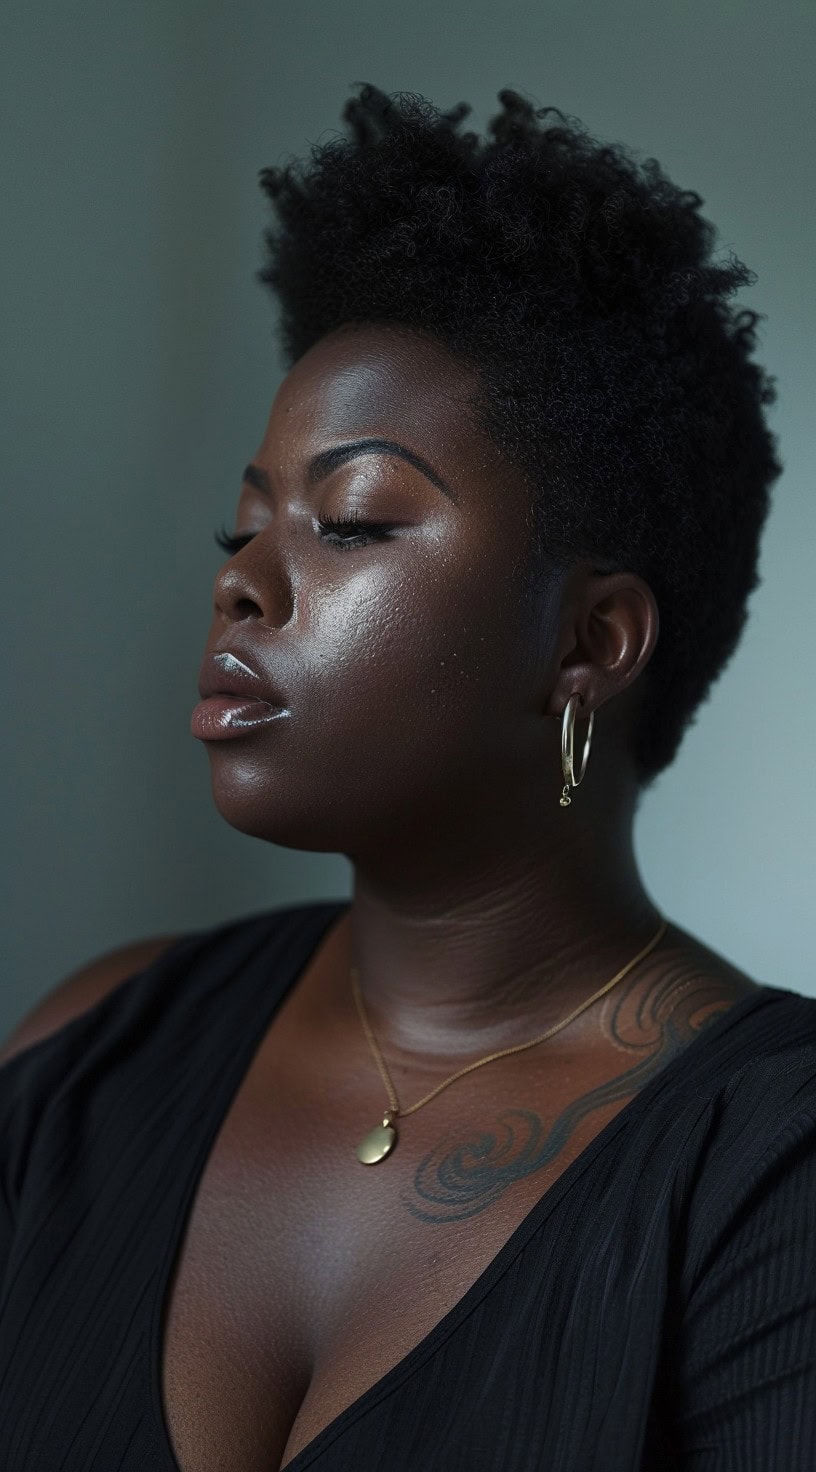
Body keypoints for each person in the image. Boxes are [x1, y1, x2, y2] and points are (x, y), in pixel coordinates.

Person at [1, 83, 814, 1472]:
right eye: (241, 524)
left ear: (590, 640)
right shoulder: (91, 1049)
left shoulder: (769, 1172)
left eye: (354, 521)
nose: (241, 585)